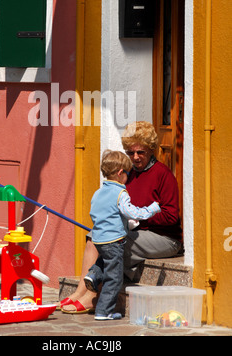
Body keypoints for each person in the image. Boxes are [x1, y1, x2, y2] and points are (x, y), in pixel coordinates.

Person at [61, 121, 182, 314]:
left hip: (164, 238)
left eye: (140, 152)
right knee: (95, 235)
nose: (135, 157)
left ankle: (93, 297)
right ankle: (80, 291)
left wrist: (140, 220)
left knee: (116, 241)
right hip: (134, 232)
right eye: (130, 152)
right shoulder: (127, 174)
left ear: (151, 149)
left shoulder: (163, 175)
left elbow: (170, 216)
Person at [84, 149, 160, 320]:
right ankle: (104, 311)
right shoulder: (121, 193)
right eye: (128, 173)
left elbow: (95, 213)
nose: (129, 177)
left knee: (105, 260)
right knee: (114, 278)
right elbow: (133, 212)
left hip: (99, 239)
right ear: (120, 173)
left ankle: (94, 274)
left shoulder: (98, 192)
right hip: (114, 241)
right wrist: (152, 209)